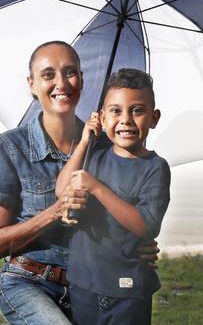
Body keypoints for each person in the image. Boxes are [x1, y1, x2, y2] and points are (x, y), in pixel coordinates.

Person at [0, 42, 160, 324]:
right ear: (32, 84)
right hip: (30, 282)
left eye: (70, 72)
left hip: (91, 287)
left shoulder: (106, 145)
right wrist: (56, 210)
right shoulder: (9, 147)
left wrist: (138, 245)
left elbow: (131, 213)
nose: (61, 83)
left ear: (82, 79)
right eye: (48, 75)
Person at [56, 68, 171, 324]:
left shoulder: (155, 168)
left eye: (137, 110)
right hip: (83, 283)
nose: (126, 120)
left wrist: (97, 188)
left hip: (127, 289)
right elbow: (61, 189)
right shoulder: (93, 154)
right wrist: (85, 141)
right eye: (116, 111)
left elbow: (146, 225)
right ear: (103, 118)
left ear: (154, 118)